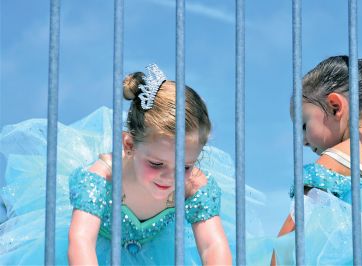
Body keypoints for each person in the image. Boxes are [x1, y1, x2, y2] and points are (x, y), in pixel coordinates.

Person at [0, 64, 233, 265]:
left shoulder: (194, 186)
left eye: (184, 167)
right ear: (129, 144)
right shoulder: (102, 177)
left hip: (156, 252)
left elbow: (212, 245)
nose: (170, 177)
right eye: (156, 163)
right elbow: (81, 239)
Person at [272, 55, 362, 265]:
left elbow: (288, 243)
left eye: (304, 125)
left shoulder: (335, 160)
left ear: (334, 106)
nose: (303, 141)